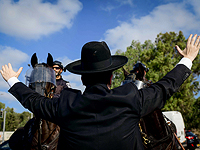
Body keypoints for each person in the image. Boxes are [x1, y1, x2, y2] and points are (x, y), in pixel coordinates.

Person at [0, 34, 199, 150]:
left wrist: (12, 80)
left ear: (83, 78)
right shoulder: (131, 97)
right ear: (111, 77)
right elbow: (165, 86)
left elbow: (33, 101)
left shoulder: (66, 104)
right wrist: (188, 58)